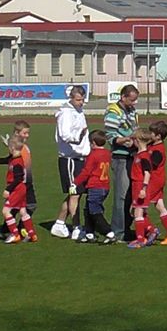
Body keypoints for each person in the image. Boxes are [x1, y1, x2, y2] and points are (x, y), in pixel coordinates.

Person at [0, 120, 36, 240]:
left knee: (27, 207)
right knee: (23, 207)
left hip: (27, 181)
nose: (27, 136)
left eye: (28, 133)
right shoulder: (17, 148)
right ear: (17, 133)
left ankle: (17, 229)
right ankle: (12, 229)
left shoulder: (22, 147)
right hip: (21, 183)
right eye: (25, 133)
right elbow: (9, 159)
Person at [53, 85, 90, 239]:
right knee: (74, 193)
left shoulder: (79, 111)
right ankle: (76, 227)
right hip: (69, 158)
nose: (81, 102)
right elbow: (64, 134)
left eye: (82, 99)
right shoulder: (66, 113)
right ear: (71, 98)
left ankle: (59, 224)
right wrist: (78, 138)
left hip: (80, 157)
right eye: (78, 100)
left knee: (76, 194)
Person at [105, 84, 140, 241]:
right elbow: (111, 136)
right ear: (123, 97)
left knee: (131, 195)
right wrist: (128, 140)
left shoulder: (132, 110)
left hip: (133, 156)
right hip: (120, 158)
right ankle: (118, 232)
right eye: (132, 100)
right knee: (121, 196)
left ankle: (126, 227)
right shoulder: (113, 112)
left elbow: (135, 129)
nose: (134, 103)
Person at [74, 130, 115, 243]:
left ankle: (109, 233)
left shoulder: (93, 155)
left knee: (95, 212)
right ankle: (89, 233)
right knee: (87, 209)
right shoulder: (107, 153)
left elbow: (86, 171)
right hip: (104, 186)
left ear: (92, 142)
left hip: (95, 186)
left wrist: (75, 182)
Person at [0, 135, 38, 244]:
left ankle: (15, 234)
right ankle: (32, 234)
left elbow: (18, 178)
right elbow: (3, 160)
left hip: (17, 189)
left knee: (6, 211)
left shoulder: (17, 162)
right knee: (23, 211)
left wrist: (8, 189)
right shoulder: (15, 158)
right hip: (21, 189)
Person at [147, 121, 167, 244]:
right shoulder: (153, 145)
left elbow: (151, 164)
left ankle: (152, 230)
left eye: (152, 133)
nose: (149, 135)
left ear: (158, 136)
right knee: (160, 206)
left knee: (138, 208)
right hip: (158, 180)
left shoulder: (158, 150)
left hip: (154, 180)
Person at [126, 130, 159, 249]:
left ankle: (140, 239)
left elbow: (147, 173)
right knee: (138, 212)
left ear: (138, 141)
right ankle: (152, 230)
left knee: (138, 213)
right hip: (136, 186)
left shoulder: (144, 156)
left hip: (140, 186)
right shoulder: (139, 155)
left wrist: (144, 188)